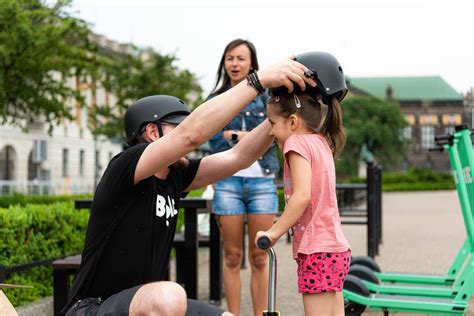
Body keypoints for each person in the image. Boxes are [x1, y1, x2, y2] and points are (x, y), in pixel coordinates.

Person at [63, 56, 316, 316]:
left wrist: (280, 110)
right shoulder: (126, 166)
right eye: (178, 124)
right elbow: (190, 135)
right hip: (92, 308)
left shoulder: (176, 175)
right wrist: (258, 80)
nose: (193, 139)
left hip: (148, 304)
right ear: (152, 132)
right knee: (169, 295)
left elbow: (238, 157)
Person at [255, 52, 351, 316]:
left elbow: (302, 196)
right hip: (335, 247)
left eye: (273, 123)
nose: (271, 131)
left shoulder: (295, 143)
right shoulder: (320, 141)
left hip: (316, 249)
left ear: (293, 122)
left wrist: (273, 232)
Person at [207, 39, 279, 316]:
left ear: (252, 64)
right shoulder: (215, 100)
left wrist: (235, 136)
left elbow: (275, 135)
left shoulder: (269, 98)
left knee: (260, 256)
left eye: (240, 58)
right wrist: (251, 139)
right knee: (232, 256)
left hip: (262, 181)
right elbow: (214, 142)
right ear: (224, 63)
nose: (235, 64)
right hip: (228, 182)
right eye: (230, 58)